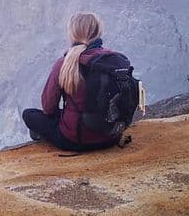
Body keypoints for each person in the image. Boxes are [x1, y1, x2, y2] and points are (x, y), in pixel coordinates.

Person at [22, 12, 121, 151]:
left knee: (29, 114)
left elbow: (48, 108)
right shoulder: (114, 60)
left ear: (73, 34)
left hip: (74, 140)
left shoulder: (64, 64)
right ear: (98, 32)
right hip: (112, 137)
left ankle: (43, 142)